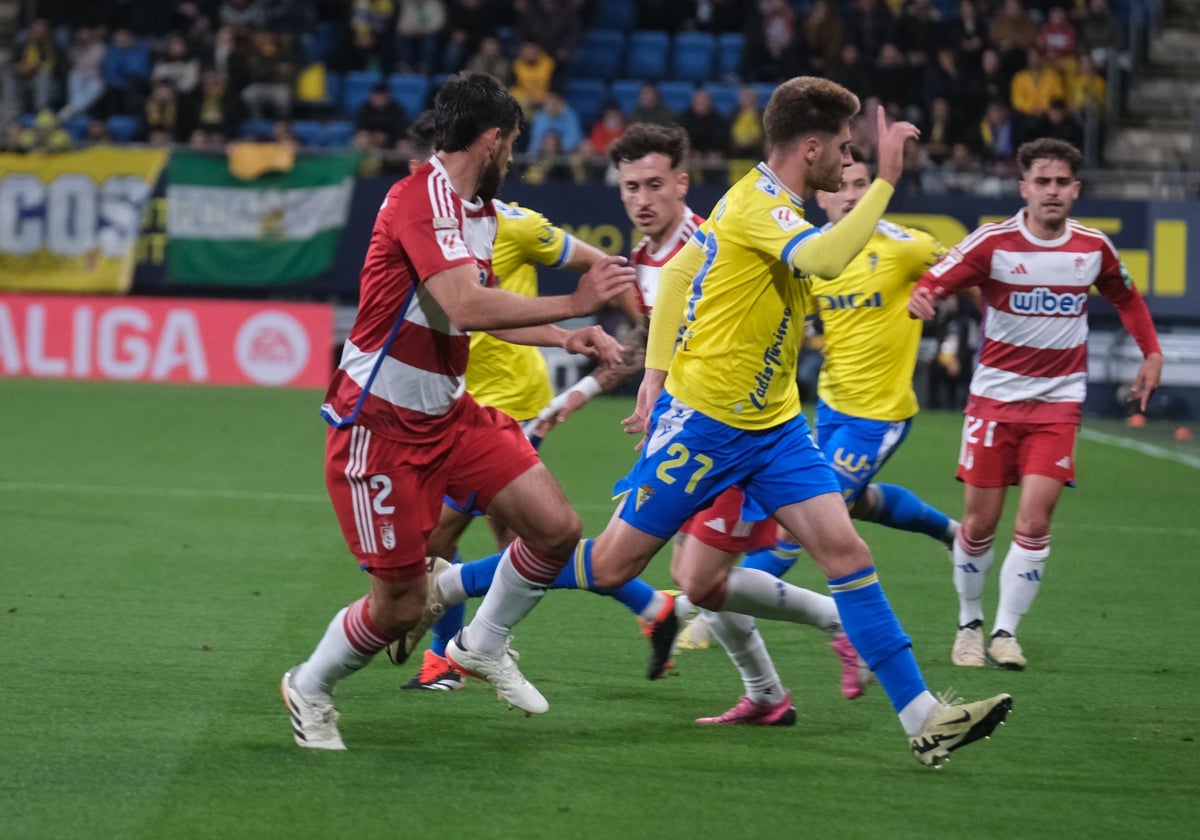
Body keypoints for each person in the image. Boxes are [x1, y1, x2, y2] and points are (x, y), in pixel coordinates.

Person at [450, 77, 1013, 767]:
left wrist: (653, 371)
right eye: (842, 146)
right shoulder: (760, 206)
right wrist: (887, 182)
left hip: (776, 428)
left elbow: (684, 270)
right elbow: (828, 259)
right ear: (811, 148)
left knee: (848, 555)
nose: (848, 158)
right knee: (610, 565)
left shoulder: (757, 205)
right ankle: (463, 601)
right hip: (708, 425)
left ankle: (926, 719)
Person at [281, 73, 636, 750]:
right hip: (377, 428)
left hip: (449, 417)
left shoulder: (476, 212)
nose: (514, 160)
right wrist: (574, 303)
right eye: (513, 147)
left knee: (556, 528)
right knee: (399, 607)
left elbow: (479, 315)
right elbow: (468, 306)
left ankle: (482, 642)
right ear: (495, 139)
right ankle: (311, 684)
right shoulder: (418, 198)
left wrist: (567, 338)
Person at [395, 112, 673, 691]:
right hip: (459, 401)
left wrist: (647, 342)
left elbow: (601, 265)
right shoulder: (422, 225)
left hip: (513, 404)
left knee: (441, 535)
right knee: (523, 544)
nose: (420, 179)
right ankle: (654, 610)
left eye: (426, 168)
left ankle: (446, 656)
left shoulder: (512, 224)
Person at [677, 149, 962, 702]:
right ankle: (945, 531)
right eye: (844, 184)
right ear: (823, 191)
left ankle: (709, 610)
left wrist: (936, 292)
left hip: (879, 415)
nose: (852, 193)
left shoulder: (903, 245)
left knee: (796, 523)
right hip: (828, 404)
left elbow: (961, 265)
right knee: (842, 506)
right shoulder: (808, 251)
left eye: (863, 183)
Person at [907, 138, 1163, 671]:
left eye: (1061, 182)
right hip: (994, 404)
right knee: (978, 526)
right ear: (1023, 187)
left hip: (1058, 405)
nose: (1052, 191)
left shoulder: (1093, 248)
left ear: (1076, 189)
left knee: (1035, 521)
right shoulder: (992, 243)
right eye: (1041, 181)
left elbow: (1126, 296)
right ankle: (969, 624)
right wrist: (923, 295)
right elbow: (936, 280)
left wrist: (1152, 354)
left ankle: (1005, 632)